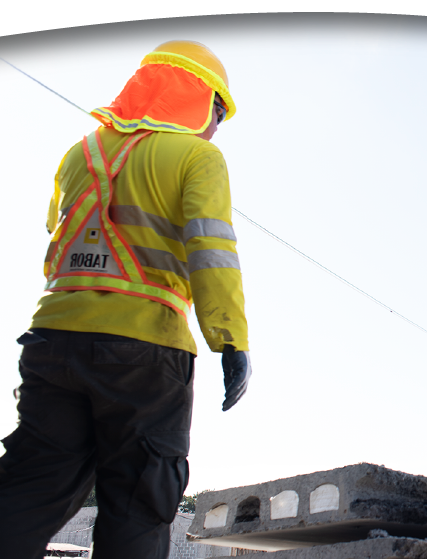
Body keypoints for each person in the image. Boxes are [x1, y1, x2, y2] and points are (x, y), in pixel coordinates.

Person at [0, 40, 252, 558]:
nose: (215, 127)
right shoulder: (198, 156)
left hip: (52, 338)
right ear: (197, 99)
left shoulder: (81, 152)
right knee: (140, 499)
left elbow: (56, 231)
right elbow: (212, 252)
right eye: (217, 113)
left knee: (29, 488)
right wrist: (230, 340)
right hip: (145, 348)